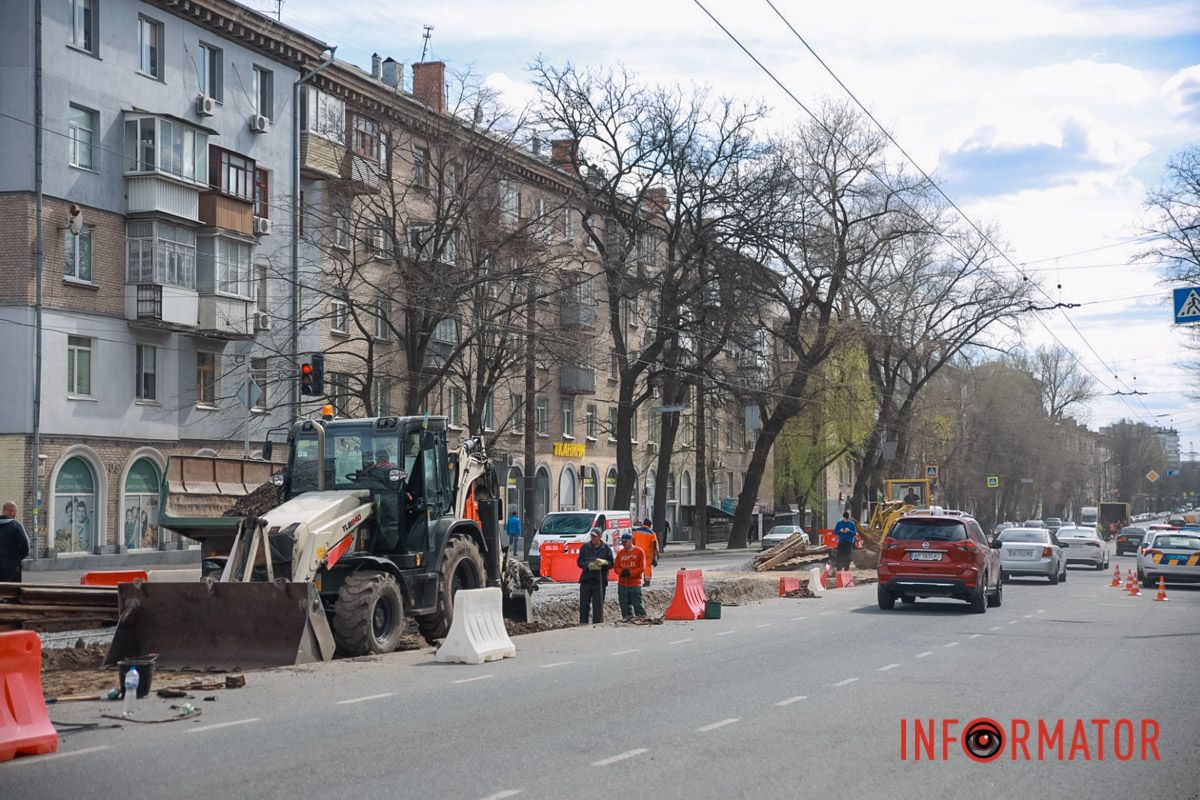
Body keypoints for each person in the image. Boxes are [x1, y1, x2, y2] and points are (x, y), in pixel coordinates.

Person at [576, 527, 615, 624]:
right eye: (592, 536)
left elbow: (611, 564)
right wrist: (588, 564)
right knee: (584, 604)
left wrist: (604, 563)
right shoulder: (585, 547)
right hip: (586, 580)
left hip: (599, 581)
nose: (593, 538)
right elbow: (579, 562)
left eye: (595, 536)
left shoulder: (606, 548)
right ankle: (583, 623)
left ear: (600, 537)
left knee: (598, 605)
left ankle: (597, 623)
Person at [614, 532, 647, 619]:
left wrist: (631, 573)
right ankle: (627, 618)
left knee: (637, 603)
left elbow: (642, 567)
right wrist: (621, 572)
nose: (624, 544)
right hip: (622, 584)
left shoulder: (639, 551)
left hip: (635, 583)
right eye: (622, 542)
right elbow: (616, 567)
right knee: (624, 604)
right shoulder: (620, 553)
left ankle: (642, 617)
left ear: (631, 541)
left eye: (625, 542)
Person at [0, 502, 31, 583]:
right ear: (12, 512)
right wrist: (16, 558)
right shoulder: (16, 526)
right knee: (12, 592)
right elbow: (26, 547)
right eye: (15, 512)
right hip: (12, 568)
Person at [632, 518, 659, 586]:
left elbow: (633, 541)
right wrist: (655, 555)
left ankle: (636, 581)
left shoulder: (636, 531)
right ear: (650, 525)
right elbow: (654, 545)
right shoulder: (652, 533)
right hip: (647, 553)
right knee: (647, 567)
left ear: (643, 524)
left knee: (637, 566)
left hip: (637, 552)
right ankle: (647, 582)